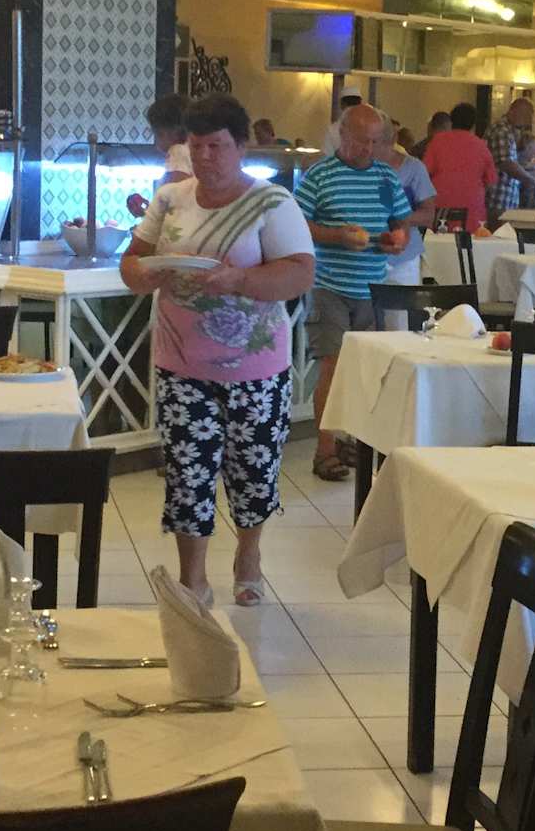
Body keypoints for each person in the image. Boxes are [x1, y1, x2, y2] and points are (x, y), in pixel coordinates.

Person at [121, 94, 315, 609]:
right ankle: (193, 579)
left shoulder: (272, 202)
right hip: (181, 361)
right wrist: (144, 273)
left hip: (256, 367)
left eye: (217, 146)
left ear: (241, 147)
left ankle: (249, 556)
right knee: (188, 474)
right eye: (197, 145)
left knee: (253, 471)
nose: (205, 157)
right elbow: (134, 261)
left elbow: (300, 272)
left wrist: (241, 280)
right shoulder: (170, 199)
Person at [295, 103, 412, 482]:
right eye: (361, 141)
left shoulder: (385, 176)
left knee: (364, 369)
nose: (368, 149)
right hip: (329, 284)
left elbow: (401, 222)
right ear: (342, 136)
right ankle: (325, 449)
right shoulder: (319, 175)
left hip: (371, 287)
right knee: (332, 366)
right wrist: (337, 236)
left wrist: (397, 239)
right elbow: (298, 224)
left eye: (375, 142)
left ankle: (353, 440)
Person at [373, 124, 436, 287]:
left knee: (403, 303)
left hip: (403, 259)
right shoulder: (359, 167)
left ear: (393, 140)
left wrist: (398, 217)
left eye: (378, 141)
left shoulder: (414, 168)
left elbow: (429, 215)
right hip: (367, 256)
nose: (372, 147)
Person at [420, 101, 496, 229]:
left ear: (452, 121)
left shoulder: (437, 142)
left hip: (441, 210)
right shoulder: (481, 146)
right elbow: (490, 183)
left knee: (437, 240)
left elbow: (423, 175)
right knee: (470, 241)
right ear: (473, 124)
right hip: (473, 212)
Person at [127, 92, 191, 219]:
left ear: (170, 132)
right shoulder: (190, 152)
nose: (155, 139)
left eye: (157, 133)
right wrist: (148, 211)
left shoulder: (177, 152)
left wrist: (151, 212)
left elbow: (173, 199)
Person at [484, 98, 535, 225]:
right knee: (498, 235)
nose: (528, 120)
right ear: (513, 112)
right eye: (526, 115)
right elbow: (505, 163)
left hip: (504, 200)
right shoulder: (501, 130)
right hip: (497, 199)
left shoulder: (509, 131)